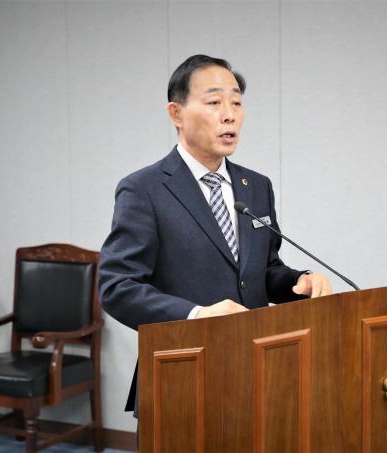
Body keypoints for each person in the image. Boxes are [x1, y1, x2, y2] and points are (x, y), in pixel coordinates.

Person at [98, 54, 332, 416]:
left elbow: (264, 270)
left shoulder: (256, 186)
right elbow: (117, 287)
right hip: (181, 375)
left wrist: (298, 282)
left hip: (256, 371)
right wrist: (196, 315)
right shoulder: (144, 189)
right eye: (214, 102)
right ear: (176, 113)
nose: (229, 115)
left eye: (236, 103)